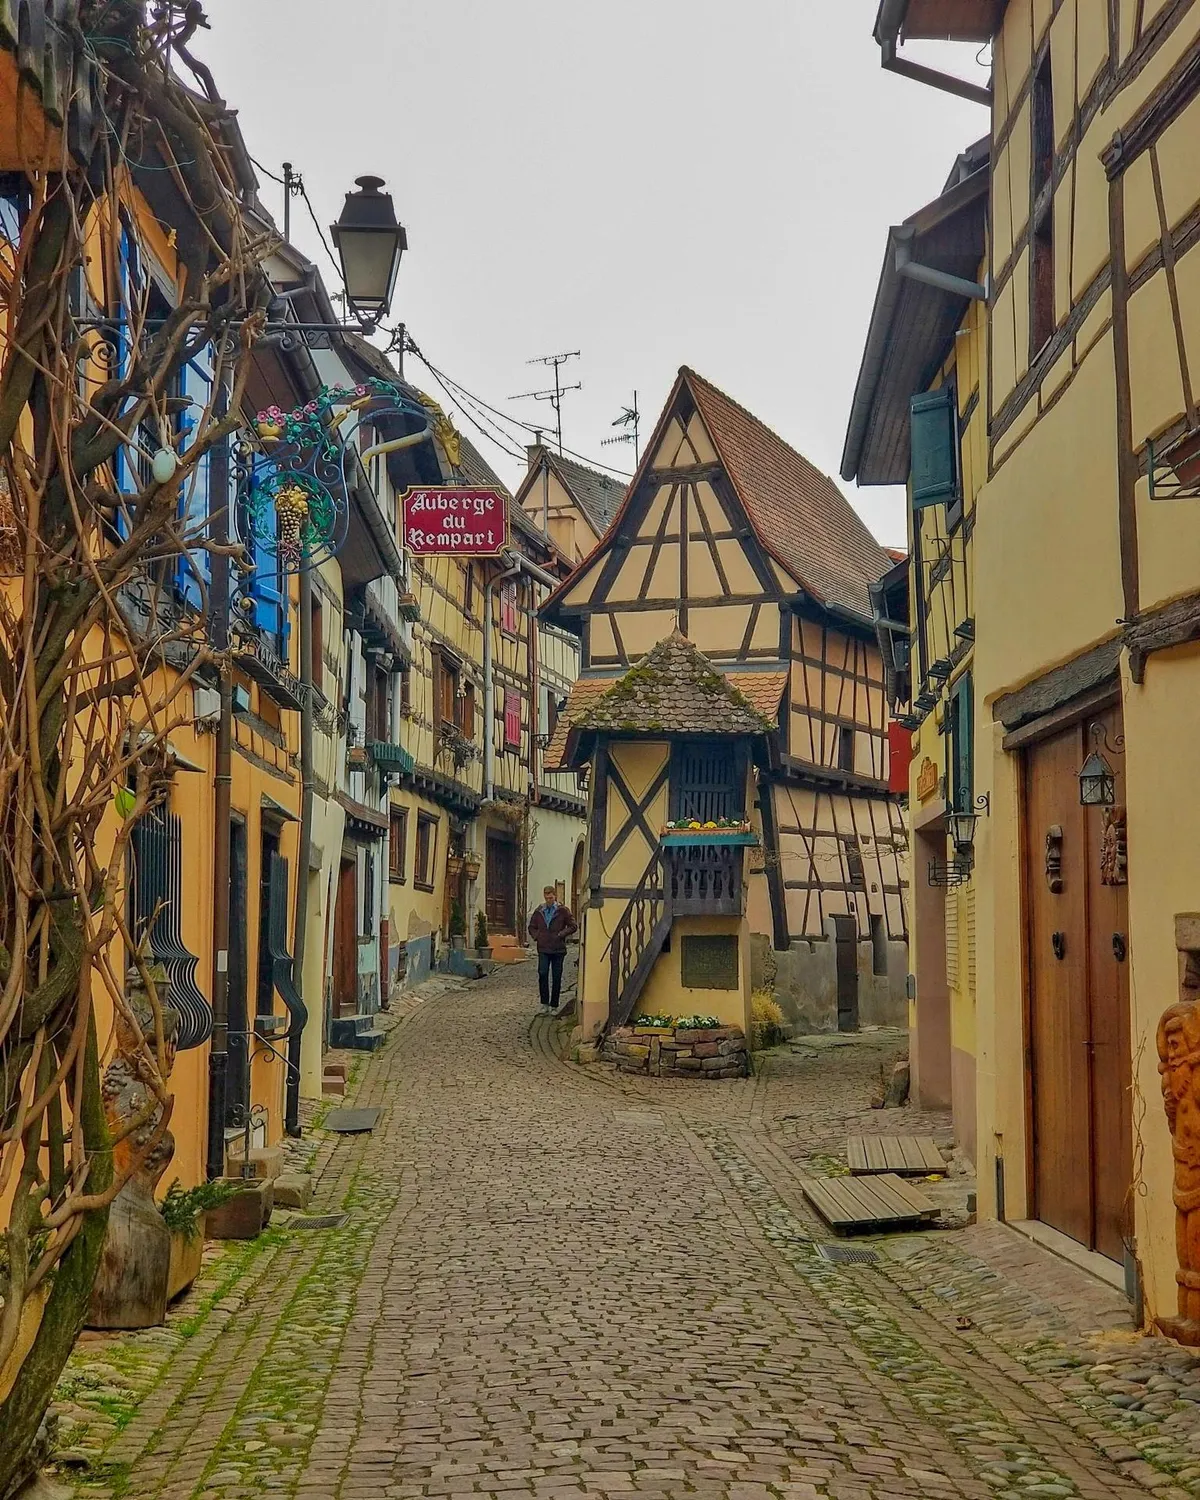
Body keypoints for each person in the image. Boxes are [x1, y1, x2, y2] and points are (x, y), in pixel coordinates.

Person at [528, 885, 577, 1013]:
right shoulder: (540, 911)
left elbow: (573, 926)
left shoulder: (563, 911)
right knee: (542, 973)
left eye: (550, 897)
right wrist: (537, 936)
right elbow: (531, 926)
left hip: (558, 949)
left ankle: (554, 1005)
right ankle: (544, 1003)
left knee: (556, 977)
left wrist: (561, 934)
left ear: (555, 896)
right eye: (546, 897)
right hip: (543, 948)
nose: (548, 900)